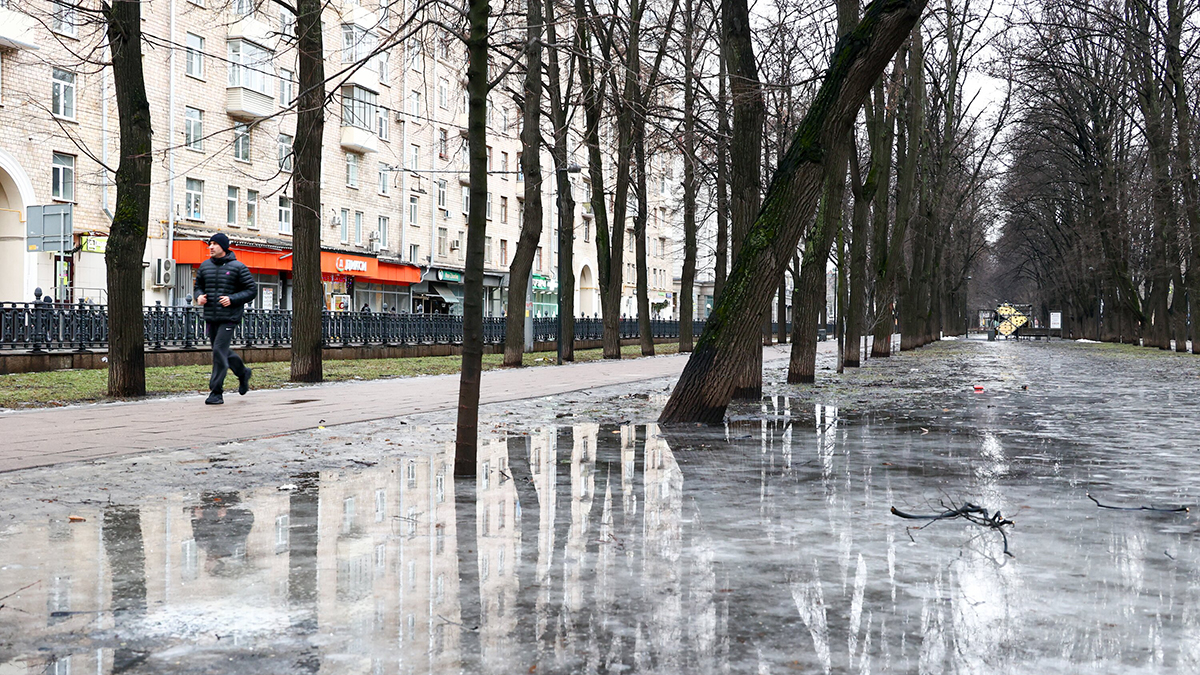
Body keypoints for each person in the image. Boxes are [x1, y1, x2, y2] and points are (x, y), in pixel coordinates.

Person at [193, 233, 256, 405]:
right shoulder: (205, 266)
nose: (211, 247)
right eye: (209, 244)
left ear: (223, 246)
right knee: (221, 351)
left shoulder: (238, 267)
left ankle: (216, 392)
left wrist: (232, 299)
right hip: (212, 316)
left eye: (214, 244)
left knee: (218, 351)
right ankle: (243, 373)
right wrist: (199, 297)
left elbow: (251, 290)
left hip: (229, 317)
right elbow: (198, 287)